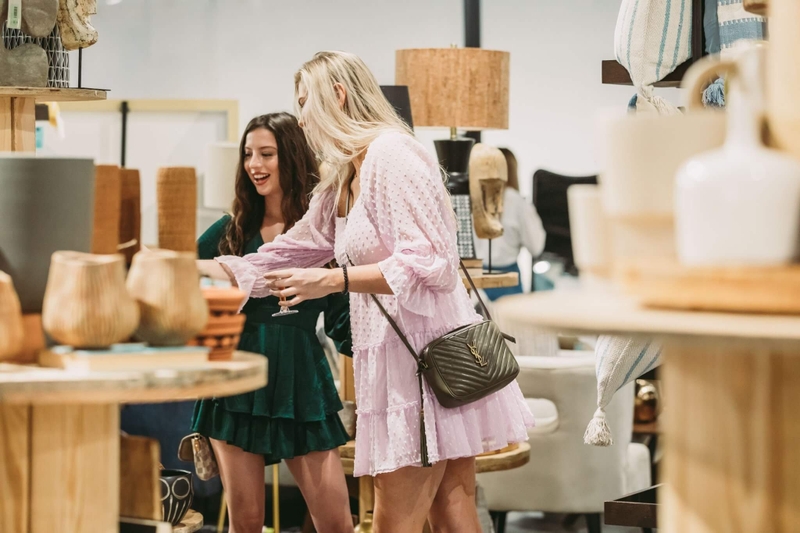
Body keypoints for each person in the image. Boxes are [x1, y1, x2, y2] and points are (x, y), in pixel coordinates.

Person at [199, 52, 533, 532]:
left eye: (304, 103)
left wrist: (334, 279)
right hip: (404, 363)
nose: (301, 119)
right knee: (450, 507)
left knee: (396, 521)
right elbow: (295, 249)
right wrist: (198, 269)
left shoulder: (391, 155)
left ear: (336, 96)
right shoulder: (346, 172)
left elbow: (432, 262)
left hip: (421, 367)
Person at [192, 113, 354, 533]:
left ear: (293, 158)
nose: (254, 165)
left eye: (267, 154)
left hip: (302, 382)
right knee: (245, 523)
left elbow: (342, 319)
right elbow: (187, 277)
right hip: (236, 384)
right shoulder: (231, 230)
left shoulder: (321, 232)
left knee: (336, 522)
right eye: (248, 154)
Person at [474, 148, 546, 300]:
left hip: (476, 281)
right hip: (507, 282)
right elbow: (536, 246)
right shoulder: (518, 203)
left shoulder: (473, 200)